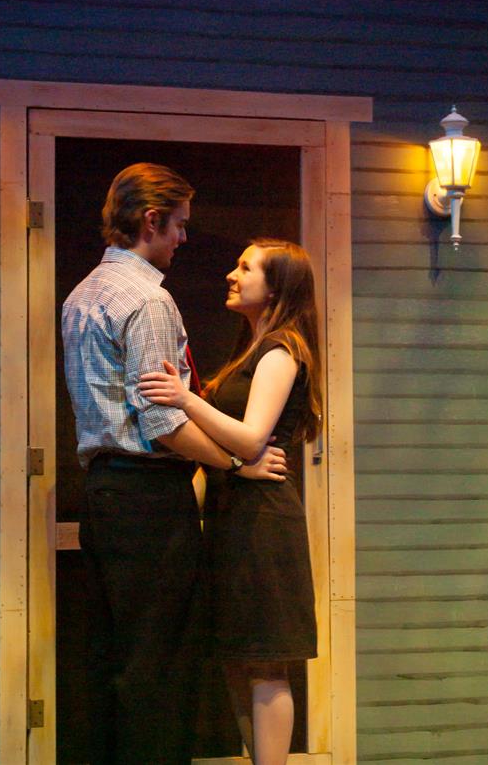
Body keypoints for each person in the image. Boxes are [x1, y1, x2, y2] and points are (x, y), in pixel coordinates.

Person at [62, 164, 287, 765]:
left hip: (103, 495)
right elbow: (163, 423)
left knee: (112, 658)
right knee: (159, 664)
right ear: (151, 221)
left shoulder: (81, 294)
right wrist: (235, 466)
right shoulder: (148, 300)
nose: (184, 239)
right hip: (149, 501)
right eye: (179, 226)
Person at [139, 237, 321, 765]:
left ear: (276, 287)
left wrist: (185, 397)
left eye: (246, 267)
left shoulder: (282, 350)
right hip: (232, 517)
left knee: (265, 661)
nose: (231, 274)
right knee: (238, 659)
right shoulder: (251, 350)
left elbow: (248, 439)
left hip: (263, 523)